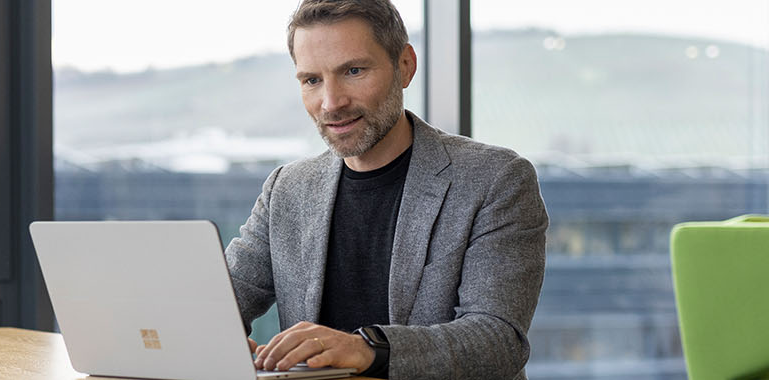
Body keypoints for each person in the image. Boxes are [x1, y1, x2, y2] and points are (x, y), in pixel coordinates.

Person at [226, 0, 549, 378]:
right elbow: (218, 302)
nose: (331, 103)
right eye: (312, 80)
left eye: (353, 71)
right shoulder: (287, 189)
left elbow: (498, 339)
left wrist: (367, 349)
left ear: (405, 65)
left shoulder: (496, 179)